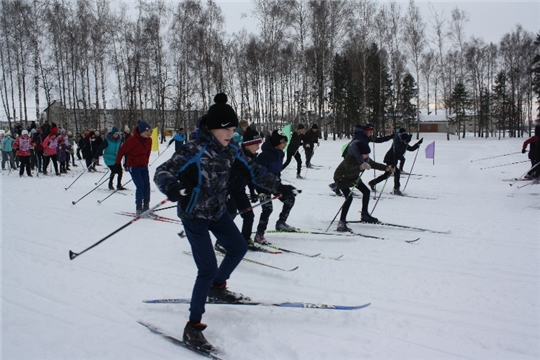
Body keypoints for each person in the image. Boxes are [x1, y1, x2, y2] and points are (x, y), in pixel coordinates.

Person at [153, 93, 297, 354]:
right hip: (194, 214)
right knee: (205, 269)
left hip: (217, 211)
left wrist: (279, 186)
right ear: (213, 128)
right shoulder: (194, 149)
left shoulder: (231, 151)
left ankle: (217, 288)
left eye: (233, 129)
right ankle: (192, 327)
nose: (231, 133)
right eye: (226, 129)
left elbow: (254, 171)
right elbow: (162, 171)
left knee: (238, 247)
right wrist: (173, 188)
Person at [333, 135, 392, 231]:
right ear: (359, 154)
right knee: (349, 198)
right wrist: (360, 167)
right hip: (342, 178)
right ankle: (342, 222)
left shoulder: (365, 159)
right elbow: (349, 171)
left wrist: (387, 168)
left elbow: (374, 164)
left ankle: (365, 215)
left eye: (367, 154)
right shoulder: (349, 158)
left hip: (354, 178)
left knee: (366, 192)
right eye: (365, 154)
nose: (367, 156)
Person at [254, 129, 299, 244]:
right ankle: (259, 234)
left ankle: (281, 223)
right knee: (267, 209)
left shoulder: (280, 153)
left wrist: (280, 185)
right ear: (277, 143)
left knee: (289, 199)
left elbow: (277, 171)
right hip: (263, 186)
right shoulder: (264, 156)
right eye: (283, 142)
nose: (285, 145)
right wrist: (259, 190)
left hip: (275, 184)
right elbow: (256, 175)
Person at [329, 124, 394, 196]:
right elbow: (355, 150)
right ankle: (338, 186)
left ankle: (339, 186)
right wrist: (363, 162)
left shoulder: (366, 136)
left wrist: (389, 137)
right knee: (349, 171)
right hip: (350, 155)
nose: (371, 134)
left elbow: (377, 140)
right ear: (366, 131)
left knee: (354, 171)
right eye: (370, 132)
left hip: (360, 155)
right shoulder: (359, 138)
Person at [225, 128, 263, 250]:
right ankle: (222, 241)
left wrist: (253, 191)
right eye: (256, 144)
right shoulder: (235, 156)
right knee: (229, 216)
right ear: (248, 144)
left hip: (240, 191)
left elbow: (251, 177)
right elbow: (223, 175)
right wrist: (225, 191)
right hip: (228, 191)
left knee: (249, 216)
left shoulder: (253, 157)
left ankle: (245, 239)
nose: (258, 147)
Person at [115, 120, 152, 215]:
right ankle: (139, 207)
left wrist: (146, 162)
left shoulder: (149, 140)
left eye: (149, 131)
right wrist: (117, 164)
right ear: (141, 131)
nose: (149, 133)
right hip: (134, 166)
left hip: (143, 166)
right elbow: (121, 150)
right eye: (146, 131)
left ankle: (146, 206)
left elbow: (147, 153)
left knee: (147, 185)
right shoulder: (132, 140)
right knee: (140, 185)